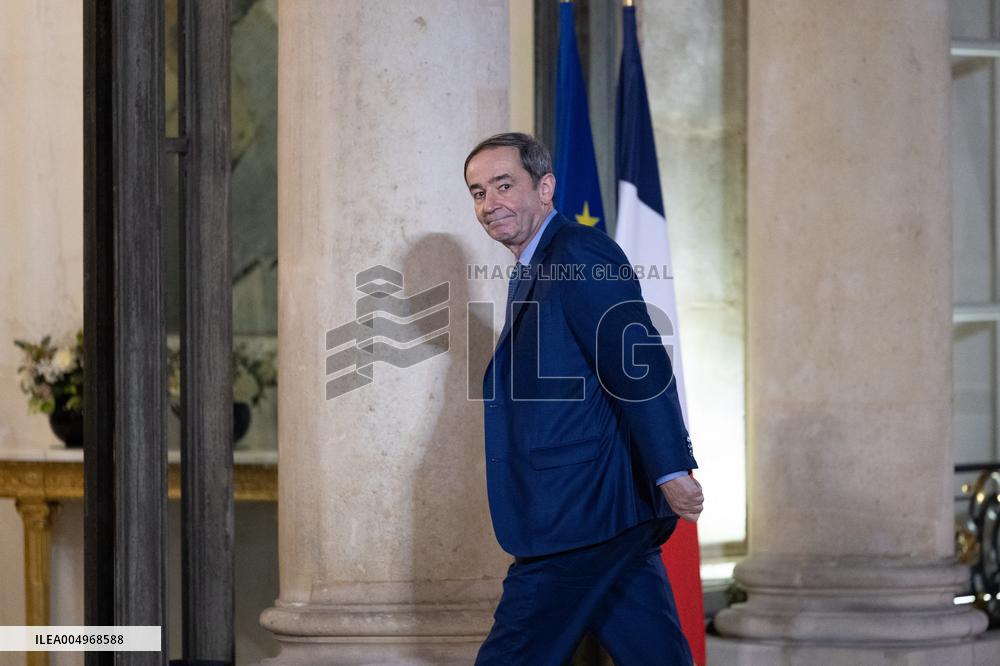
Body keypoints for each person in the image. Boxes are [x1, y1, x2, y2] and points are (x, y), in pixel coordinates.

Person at [465, 132, 703, 665]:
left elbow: (636, 364)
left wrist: (670, 469)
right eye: (478, 192)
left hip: (578, 512)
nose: (489, 204)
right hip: (607, 513)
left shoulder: (578, 252)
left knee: (512, 654)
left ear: (545, 187)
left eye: (505, 185)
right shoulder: (536, 262)